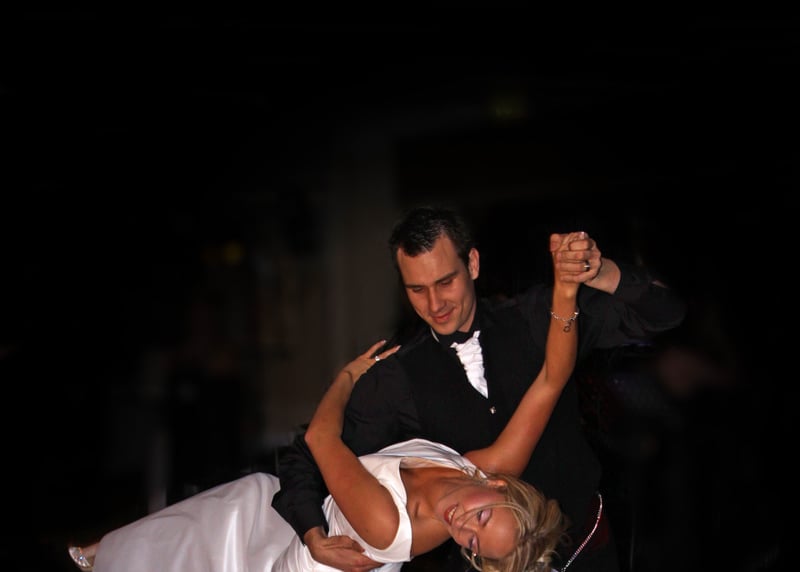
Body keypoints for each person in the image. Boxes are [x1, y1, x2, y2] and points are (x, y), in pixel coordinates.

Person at [67, 232, 583, 572]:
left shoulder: (390, 525)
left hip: (300, 565)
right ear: (495, 485)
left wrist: (347, 376)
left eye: (472, 545)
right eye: (482, 520)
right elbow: (551, 380)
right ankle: (112, 555)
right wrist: (565, 288)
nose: (462, 529)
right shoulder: (484, 465)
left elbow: (320, 437)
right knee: (246, 498)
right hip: (285, 523)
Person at [271, 205, 686, 572]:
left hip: (585, 551)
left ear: (472, 263)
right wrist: (312, 532)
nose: (435, 304)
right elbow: (307, 454)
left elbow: (664, 314)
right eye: (417, 290)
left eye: (445, 282)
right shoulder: (396, 377)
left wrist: (600, 272)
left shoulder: (534, 318)